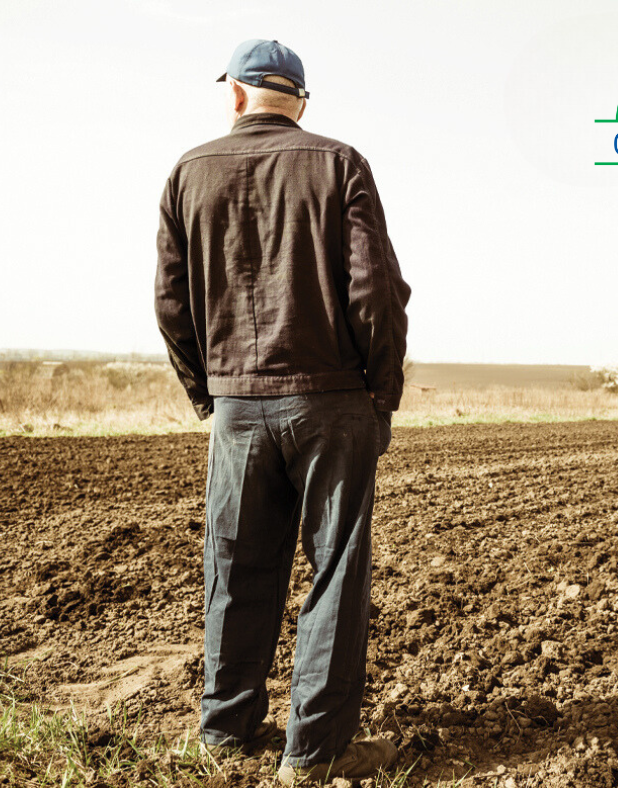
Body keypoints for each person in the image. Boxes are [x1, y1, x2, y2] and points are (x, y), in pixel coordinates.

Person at [154, 38, 411, 785]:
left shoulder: (187, 171)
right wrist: (381, 393)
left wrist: (209, 390)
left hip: (237, 403)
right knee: (334, 569)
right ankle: (317, 754)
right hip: (330, 399)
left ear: (236, 94)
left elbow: (171, 304)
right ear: (299, 100)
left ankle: (226, 731)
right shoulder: (339, 163)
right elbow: (376, 293)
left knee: (235, 565)